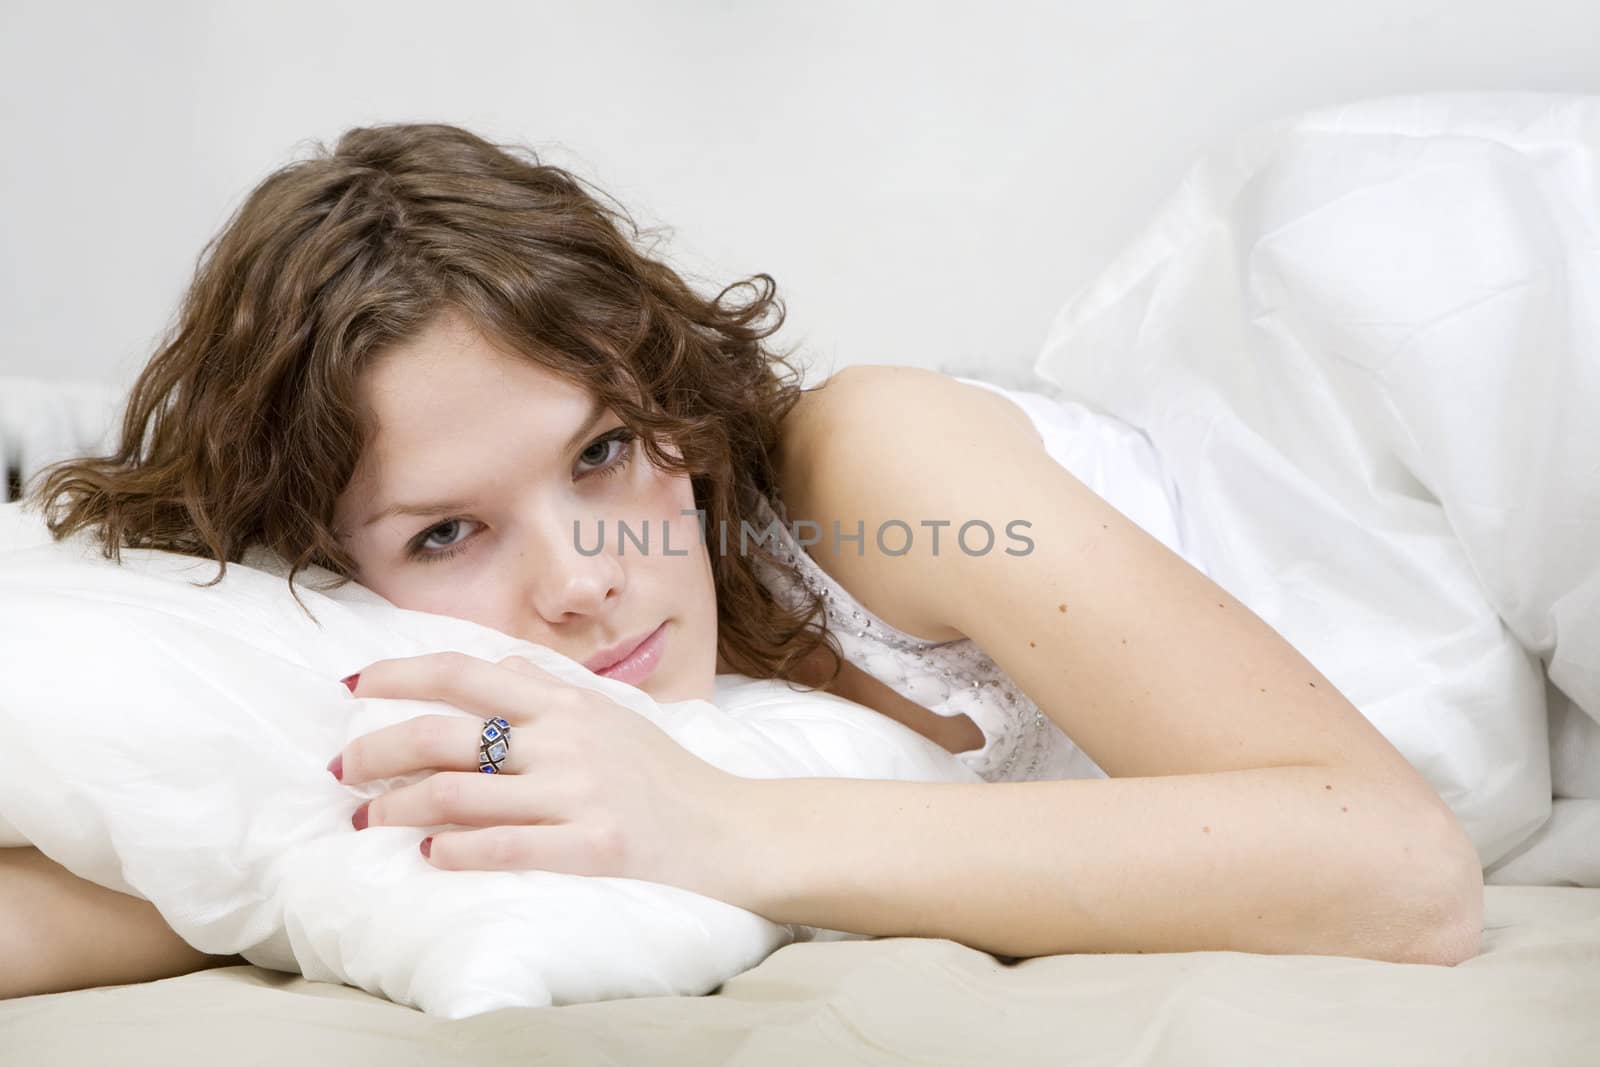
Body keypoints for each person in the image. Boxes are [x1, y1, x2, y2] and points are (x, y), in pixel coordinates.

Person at [2, 123, 1483, 1000]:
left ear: (669, 399)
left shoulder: (882, 470)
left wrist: (724, 825)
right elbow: (196, 863)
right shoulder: (465, 704)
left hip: (1408, 460)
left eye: (601, 453)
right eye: (447, 533)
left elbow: (1398, 869)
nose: (583, 577)